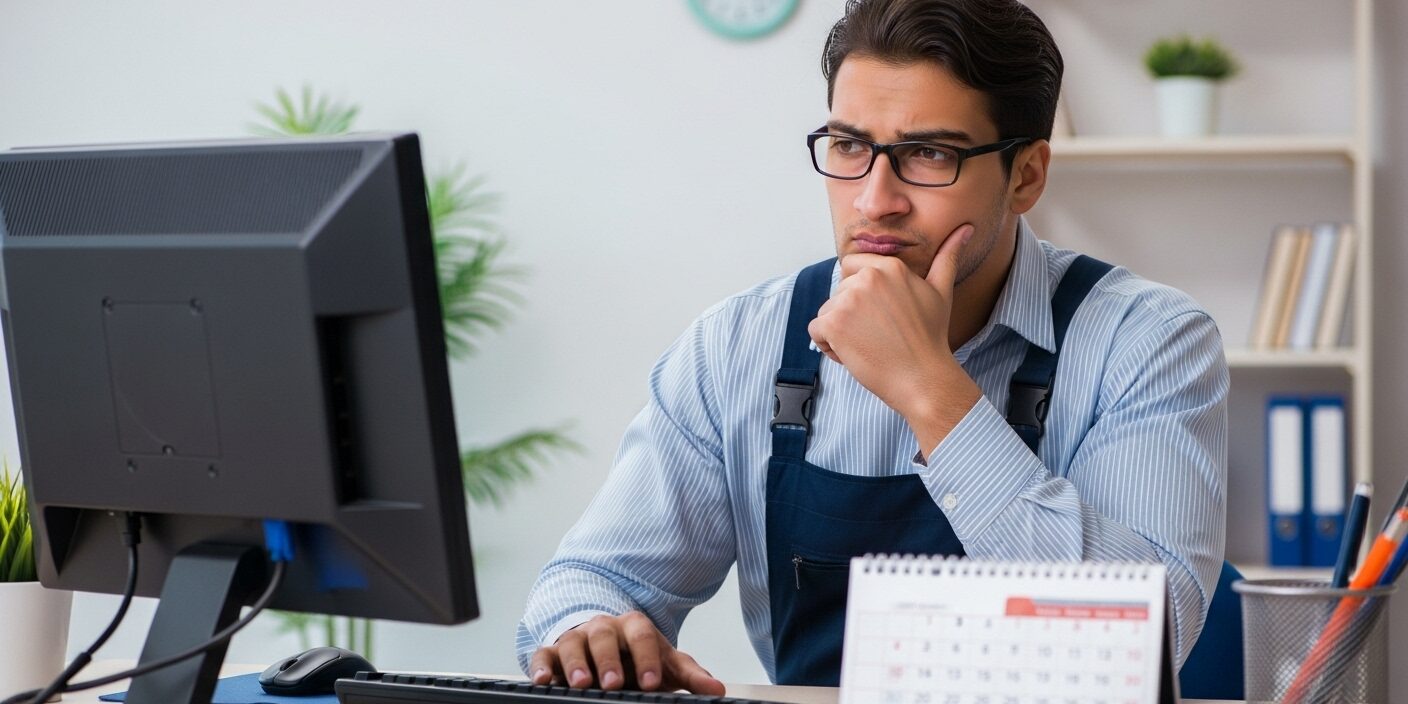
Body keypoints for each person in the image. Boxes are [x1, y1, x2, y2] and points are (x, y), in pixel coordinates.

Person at [517, 0, 1227, 693]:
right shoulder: (737, 346)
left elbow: (1149, 636)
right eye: (851, 146)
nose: (873, 200)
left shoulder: (1148, 342)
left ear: (1026, 176)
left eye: (928, 153)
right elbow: (593, 581)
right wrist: (591, 628)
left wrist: (928, 387)